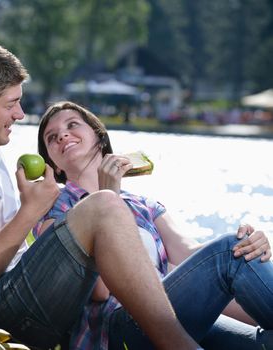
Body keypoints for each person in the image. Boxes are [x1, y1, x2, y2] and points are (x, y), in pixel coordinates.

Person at [0, 38, 201, 349]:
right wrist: (31, 212)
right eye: (10, 103)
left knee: (218, 262)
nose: (20, 114)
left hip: (14, 296)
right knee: (103, 206)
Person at [34, 100, 273, 349]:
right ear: (54, 165)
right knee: (228, 253)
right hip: (116, 328)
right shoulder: (56, 211)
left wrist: (249, 245)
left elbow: (190, 254)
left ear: (100, 137)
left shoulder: (143, 205)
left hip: (170, 312)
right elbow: (100, 292)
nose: (62, 135)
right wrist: (108, 198)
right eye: (51, 137)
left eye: (72, 125)